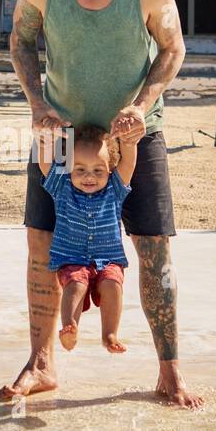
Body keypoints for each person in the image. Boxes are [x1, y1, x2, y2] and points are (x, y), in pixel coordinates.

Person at [0, 0, 203, 409]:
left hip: (136, 133)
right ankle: (41, 364)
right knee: (40, 246)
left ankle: (170, 371)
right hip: (61, 134)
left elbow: (173, 47)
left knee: (154, 252)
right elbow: (21, 41)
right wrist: (37, 103)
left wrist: (142, 103)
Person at [37, 123, 138, 354]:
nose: (89, 177)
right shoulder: (61, 188)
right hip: (71, 258)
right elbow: (45, 164)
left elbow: (129, 162)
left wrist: (129, 142)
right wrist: (46, 141)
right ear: (68, 167)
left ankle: (109, 334)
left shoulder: (115, 188)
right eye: (80, 170)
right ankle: (70, 327)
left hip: (109, 258)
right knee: (75, 284)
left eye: (98, 170)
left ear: (110, 169)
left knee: (112, 285)